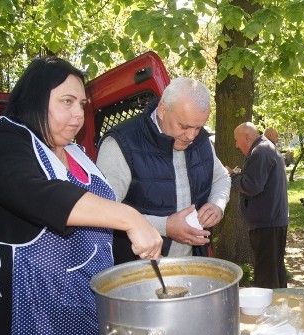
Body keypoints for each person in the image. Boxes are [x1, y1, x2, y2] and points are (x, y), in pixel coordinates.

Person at [0, 56, 163, 335]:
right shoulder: (1, 143)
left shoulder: (76, 156)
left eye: (81, 104)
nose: (78, 115)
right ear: (35, 99)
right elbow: (37, 195)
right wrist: (130, 217)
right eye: (65, 102)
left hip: (75, 322)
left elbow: (98, 232)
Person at [97, 77, 231, 262]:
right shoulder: (121, 143)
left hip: (192, 263)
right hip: (137, 268)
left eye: (198, 127)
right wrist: (165, 226)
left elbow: (222, 177)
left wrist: (217, 204)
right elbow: (102, 210)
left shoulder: (203, 141)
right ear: (162, 110)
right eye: (184, 126)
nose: (191, 136)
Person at [228, 122, 289, 289]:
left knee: (266, 278)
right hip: (273, 220)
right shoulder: (266, 148)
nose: (236, 145)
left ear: (247, 137)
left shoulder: (260, 151)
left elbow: (252, 186)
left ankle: (267, 312)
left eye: (236, 140)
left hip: (267, 223)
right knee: (275, 272)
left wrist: (233, 176)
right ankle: (281, 307)